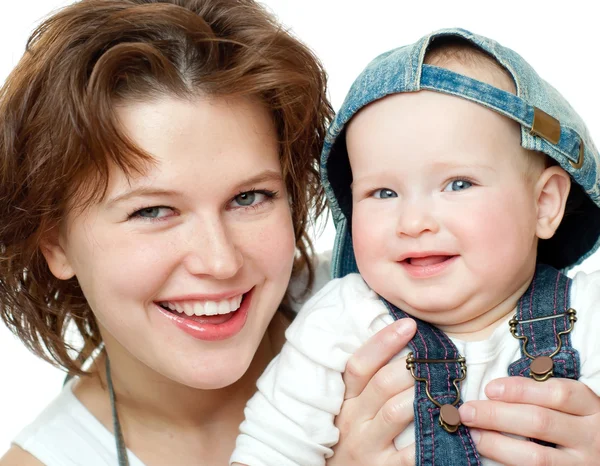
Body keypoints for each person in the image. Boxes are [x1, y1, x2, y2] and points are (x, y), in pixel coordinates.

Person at [232, 28, 600, 465]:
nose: (414, 222)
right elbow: (269, 452)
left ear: (543, 204)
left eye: (457, 184)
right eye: (384, 193)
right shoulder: (341, 322)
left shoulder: (590, 314)